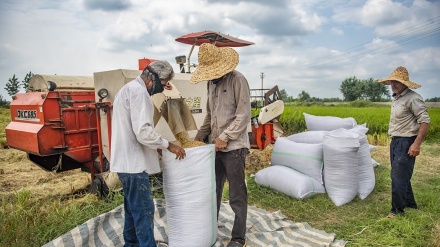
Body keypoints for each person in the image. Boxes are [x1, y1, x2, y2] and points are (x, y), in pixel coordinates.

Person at [110, 60, 186, 246]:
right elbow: (143, 132)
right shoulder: (139, 93)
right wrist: (169, 145)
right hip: (134, 166)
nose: (159, 90)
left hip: (125, 164)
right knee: (144, 211)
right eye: (162, 84)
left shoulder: (127, 89)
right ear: (153, 79)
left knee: (132, 210)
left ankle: (131, 244)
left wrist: (157, 146)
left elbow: (133, 129)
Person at [191, 43, 251, 247]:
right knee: (213, 190)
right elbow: (209, 115)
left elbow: (243, 116)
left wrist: (225, 137)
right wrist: (199, 138)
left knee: (237, 193)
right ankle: (210, 228)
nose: (211, 77)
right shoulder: (211, 84)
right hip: (214, 148)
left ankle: (238, 237)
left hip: (234, 148)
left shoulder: (238, 80)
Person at [377, 66, 430, 218]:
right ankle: (410, 204)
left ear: (405, 83)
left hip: (407, 141)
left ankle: (396, 211)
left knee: (397, 176)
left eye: (397, 82)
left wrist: (416, 144)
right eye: (392, 82)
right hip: (396, 141)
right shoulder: (397, 98)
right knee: (401, 174)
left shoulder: (413, 98)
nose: (393, 85)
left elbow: (425, 121)